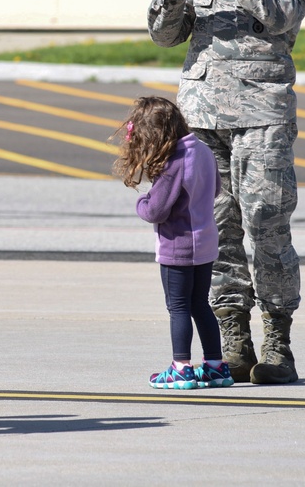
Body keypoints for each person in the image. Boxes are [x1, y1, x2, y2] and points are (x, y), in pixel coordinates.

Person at [147, 0, 305, 384]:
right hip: (202, 118)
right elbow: (165, 36)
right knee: (214, 229)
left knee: (265, 220)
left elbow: (284, 13)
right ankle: (232, 340)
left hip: (260, 114)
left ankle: (278, 342)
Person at [112, 96, 232, 390]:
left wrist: (142, 201)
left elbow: (156, 210)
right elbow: (216, 188)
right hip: (205, 242)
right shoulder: (202, 150)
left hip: (178, 246)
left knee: (177, 307)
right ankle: (215, 366)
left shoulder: (173, 163)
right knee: (200, 304)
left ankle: (181, 367)